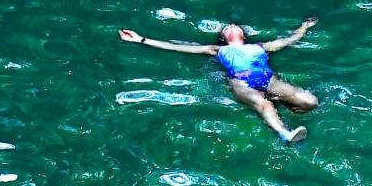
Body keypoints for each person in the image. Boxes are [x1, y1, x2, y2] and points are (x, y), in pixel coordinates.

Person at [118, 18, 321, 143]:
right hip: (241, 83)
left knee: (310, 101)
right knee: (263, 104)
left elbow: (288, 40)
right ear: (224, 38)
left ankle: (286, 107)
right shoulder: (217, 50)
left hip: (269, 80)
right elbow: (178, 47)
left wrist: (304, 27)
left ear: (242, 35)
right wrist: (142, 39)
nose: (231, 25)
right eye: (227, 28)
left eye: (234, 26)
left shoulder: (261, 46)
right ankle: (285, 134)